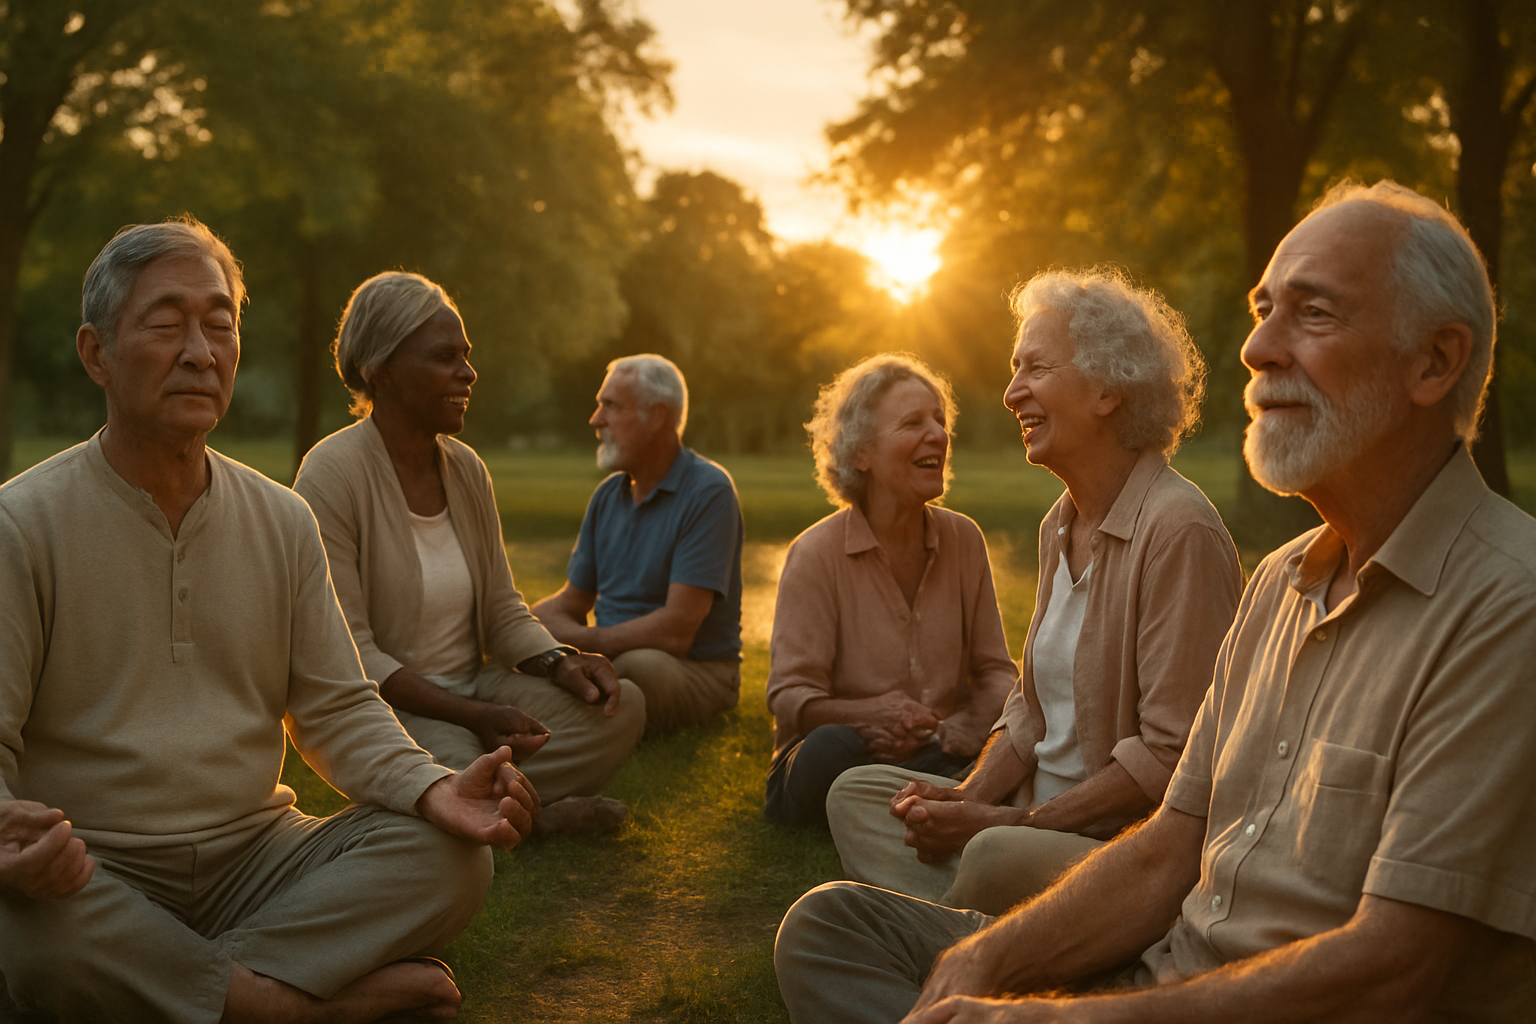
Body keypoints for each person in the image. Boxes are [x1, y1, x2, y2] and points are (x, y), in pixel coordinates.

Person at [774, 180, 1536, 1023]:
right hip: (1157, 967)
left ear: (1435, 362)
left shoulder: (1509, 608)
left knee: (989, 859)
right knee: (831, 927)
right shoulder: (1281, 583)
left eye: (1313, 313)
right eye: (1264, 312)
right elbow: (1170, 846)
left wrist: (1052, 1015)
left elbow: (1392, 972)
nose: (1256, 348)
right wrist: (982, 958)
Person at [0, 220, 540, 1023]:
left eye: (219, 325)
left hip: (255, 857)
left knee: (451, 856)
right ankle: (287, 1006)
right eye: (166, 324)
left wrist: (435, 788)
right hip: (94, 863)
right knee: (31, 929)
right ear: (96, 354)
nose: (199, 352)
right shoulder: (21, 525)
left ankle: (176, 987)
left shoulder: (283, 521)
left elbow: (339, 707)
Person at [825, 273, 1242, 909]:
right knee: (855, 793)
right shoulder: (1061, 523)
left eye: (1036, 368)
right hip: (1023, 819)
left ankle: (968, 924)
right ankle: (979, 919)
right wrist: (965, 799)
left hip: (1107, 847)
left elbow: (1171, 757)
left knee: (993, 854)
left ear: (1107, 389)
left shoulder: (1179, 530)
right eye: (1015, 369)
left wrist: (1010, 824)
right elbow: (1029, 711)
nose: (1011, 392)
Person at [294, 272, 642, 834]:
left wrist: (561, 662)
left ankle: (488, 801)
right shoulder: (331, 474)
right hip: (390, 710)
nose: (468, 373)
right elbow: (352, 652)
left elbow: (503, 610)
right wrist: (474, 716)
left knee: (620, 708)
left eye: (466, 356)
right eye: (443, 358)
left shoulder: (466, 469)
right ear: (380, 369)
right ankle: (523, 814)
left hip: (477, 690)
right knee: (454, 768)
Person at [762, 354, 1017, 830]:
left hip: (938, 748)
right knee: (825, 752)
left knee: (1020, 743)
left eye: (940, 421)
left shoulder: (964, 539)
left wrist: (955, 731)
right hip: (844, 751)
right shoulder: (815, 553)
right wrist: (868, 716)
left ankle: (922, 797)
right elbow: (791, 697)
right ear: (861, 454)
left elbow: (996, 672)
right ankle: (930, 800)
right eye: (913, 423)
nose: (938, 435)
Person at [532, 355, 743, 735]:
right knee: (521, 644)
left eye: (611, 406)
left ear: (657, 416)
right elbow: (571, 602)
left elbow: (676, 631)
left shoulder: (709, 491)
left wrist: (583, 643)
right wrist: (523, 627)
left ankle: (571, 716)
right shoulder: (607, 496)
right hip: (613, 657)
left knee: (640, 668)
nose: (596, 420)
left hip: (693, 669)